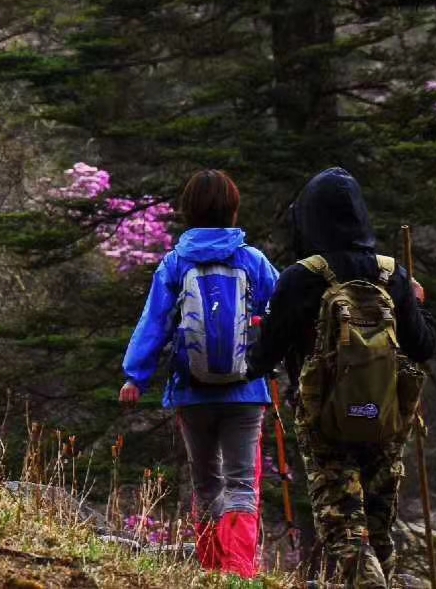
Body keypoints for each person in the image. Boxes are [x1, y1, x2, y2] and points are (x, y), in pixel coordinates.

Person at [247, 167, 435, 588]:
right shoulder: (391, 274)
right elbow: (423, 346)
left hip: (324, 419)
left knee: (343, 527)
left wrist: (242, 364)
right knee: (380, 525)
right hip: (386, 418)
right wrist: (419, 305)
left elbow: (266, 355)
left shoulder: (301, 277)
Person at [119, 169, 279, 577]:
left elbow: (153, 323)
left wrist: (135, 377)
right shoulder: (252, 260)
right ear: (232, 208)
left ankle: (210, 570)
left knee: (207, 483)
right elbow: (283, 313)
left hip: (192, 392)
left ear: (188, 211)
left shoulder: (175, 263)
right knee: (242, 483)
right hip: (246, 391)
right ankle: (239, 574)